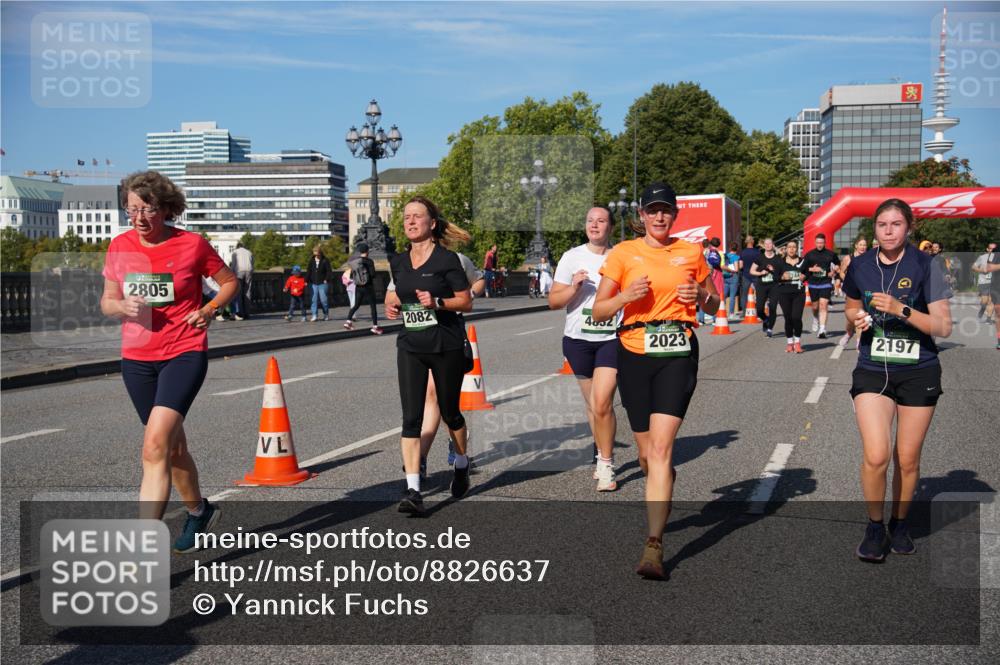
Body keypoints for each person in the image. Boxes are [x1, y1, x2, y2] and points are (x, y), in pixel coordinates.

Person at [101, 170, 237, 553]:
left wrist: (209, 310)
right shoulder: (119, 246)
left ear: (165, 209)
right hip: (137, 358)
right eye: (132, 210)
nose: (140, 218)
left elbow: (229, 282)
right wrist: (121, 306)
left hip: (184, 350)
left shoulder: (191, 244)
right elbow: (107, 301)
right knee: (171, 448)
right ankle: (199, 511)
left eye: (148, 210)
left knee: (153, 446)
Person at [592, 182, 719, 580]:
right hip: (634, 352)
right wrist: (626, 296)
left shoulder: (691, 252)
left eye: (666, 210)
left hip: (677, 350)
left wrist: (700, 292)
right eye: (653, 210)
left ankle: (654, 545)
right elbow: (598, 312)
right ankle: (660, 488)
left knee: (662, 450)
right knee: (648, 457)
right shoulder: (624, 254)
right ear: (641, 215)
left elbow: (716, 303)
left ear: (675, 215)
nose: (660, 216)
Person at [843, 199, 953, 562]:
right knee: (876, 456)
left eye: (896, 224)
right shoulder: (859, 265)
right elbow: (850, 307)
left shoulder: (926, 265)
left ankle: (899, 522)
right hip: (873, 367)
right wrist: (857, 318)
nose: (888, 231)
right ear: (873, 229)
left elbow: (942, 326)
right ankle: (875, 526)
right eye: (881, 225)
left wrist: (902, 309)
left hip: (918, 369)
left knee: (907, 459)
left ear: (909, 228)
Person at [385, 196, 473, 515]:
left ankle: (461, 463)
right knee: (411, 418)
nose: (410, 221)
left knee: (451, 413)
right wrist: (392, 304)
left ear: (431, 224)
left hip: (445, 344)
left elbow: (465, 301)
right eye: (406, 217)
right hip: (411, 345)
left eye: (417, 217)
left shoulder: (447, 260)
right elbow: (396, 292)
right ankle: (413, 490)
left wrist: (436, 302)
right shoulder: (398, 261)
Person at [385, 236, 486, 476]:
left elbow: (479, 281)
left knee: (443, 404)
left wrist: (464, 295)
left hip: (445, 336)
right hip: (416, 340)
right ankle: (420, 459)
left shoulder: (455, 260)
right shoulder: (404, 263)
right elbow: (393, 293)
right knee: (430, 399)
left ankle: (449, 447)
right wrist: (394, 304)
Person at [549, 206, 620, 492]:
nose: (595, 225)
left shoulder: (621, 256)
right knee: (593, 405)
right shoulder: (571, 257)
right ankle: (601, 449)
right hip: (578, 339)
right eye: (590, 220)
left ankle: (606, 462)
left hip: (611, 338)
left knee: (603, 402)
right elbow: (554, 301)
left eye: (601, 221)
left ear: (610, 227)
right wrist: (575, 287)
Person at [802, 232, 839, 339]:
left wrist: (835, 271)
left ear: (824, 243)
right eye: (818, 242)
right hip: (813, 283)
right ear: (815, 242)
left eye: (821, 242)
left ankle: (822, 329)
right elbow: (803, 268)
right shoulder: (810, 254)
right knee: (815, 306)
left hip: (826, 283)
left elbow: (837, 264)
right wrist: (811, 269)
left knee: (823, 305)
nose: (819, 244)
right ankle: (815, 318)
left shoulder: (830, 254)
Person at [776, 239, 807, 353]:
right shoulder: (780, 262)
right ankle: (790, 342)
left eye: (794, 247)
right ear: (786, 249)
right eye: (789, 247)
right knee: (788, 318)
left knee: (796, 317)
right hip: (784, 292)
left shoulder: (803, 261)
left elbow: (808, 273)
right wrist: (782, 277)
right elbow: (775, 277)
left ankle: (797, 342)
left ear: (797, 248)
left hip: (799, 293)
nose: (792, 249)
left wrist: (805, 276)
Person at [838, 237, 869, 348]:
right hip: (851, 290)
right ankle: (850, 334)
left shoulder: (869, 258)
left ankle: (858, 340)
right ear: (856, 246)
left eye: (865, 245)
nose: (863, 247)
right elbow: (841, 273)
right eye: (861, 244)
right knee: (853, 317)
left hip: (864, 291)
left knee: (861, 314)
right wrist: (850, 281)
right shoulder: (848, 258)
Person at [345, 243, 381, 334]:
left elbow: (352, 275)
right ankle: (375, 326)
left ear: (360, 251)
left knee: (356, 305)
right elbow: (373, 274)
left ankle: (348, 321)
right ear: (367, 251)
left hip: (358, 286)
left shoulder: (356, 262)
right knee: (373, 306)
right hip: (368, 286)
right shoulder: (369, 261)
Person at [750, 238, 782, 337]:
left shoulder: (778, 259)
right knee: (759, 309)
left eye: (770, 244)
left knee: (772, 308)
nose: (768, 245)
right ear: (764, 246)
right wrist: (760, 273)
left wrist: (773, 271)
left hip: (774, 286)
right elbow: (751, 271)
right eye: (766, 244)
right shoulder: (759, 258)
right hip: (761, 286)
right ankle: (765, 319)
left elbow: (782, 274)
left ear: (773, 245)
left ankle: (770, 329)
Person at [305, 245, 332, 322]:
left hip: (323, 283)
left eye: (317, 253)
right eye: (315, 253)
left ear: (320, 252)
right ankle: (314, 315)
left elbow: (329, 271)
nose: (316, 254)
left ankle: (326, 314)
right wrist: (306, 281)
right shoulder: (312, 260)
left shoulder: (325, 260)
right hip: (313, 283)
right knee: (314, 300)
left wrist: (326, 279)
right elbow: (308, 271)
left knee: (324, 300)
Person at [972, 242, 997, 322]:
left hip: (995, 282)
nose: (992, 250)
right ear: (987, 249)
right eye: (990, 249)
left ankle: (989, 318)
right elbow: (973, 267)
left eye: (994, 249)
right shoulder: (982, 257)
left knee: (992, 300)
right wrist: (981, 270)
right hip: (983, 282)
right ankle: (982, 308)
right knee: (985, 301)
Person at [229, 241, 254, 320]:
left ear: (237, 246)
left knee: (238, 292)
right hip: (249, 271)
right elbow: (252, 263)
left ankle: (240, 313)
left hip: (239, 271)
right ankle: (247, 313)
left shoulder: (235, 252)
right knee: (247, 292)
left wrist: (232, 274)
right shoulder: (249, 252)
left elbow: (233, 265)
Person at [738, 235, 760, 316]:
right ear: (753, 242)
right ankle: (758, 311)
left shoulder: (742, 252)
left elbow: (741, 266)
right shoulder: (757, 252)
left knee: (744, 294)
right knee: (759, 293)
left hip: (746, 275)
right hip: (756, 274)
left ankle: (744, 312)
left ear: (746, 242)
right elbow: (760, 264)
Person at [723, 242, 742, 319]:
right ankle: (731, 314)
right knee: (732, 297)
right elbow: (737, 269)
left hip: (725, 277)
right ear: (737, 249)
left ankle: (721, 312)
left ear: (730, 248)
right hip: (733, 277)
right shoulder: (736, 257)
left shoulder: (726, 256)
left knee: (723, 296)